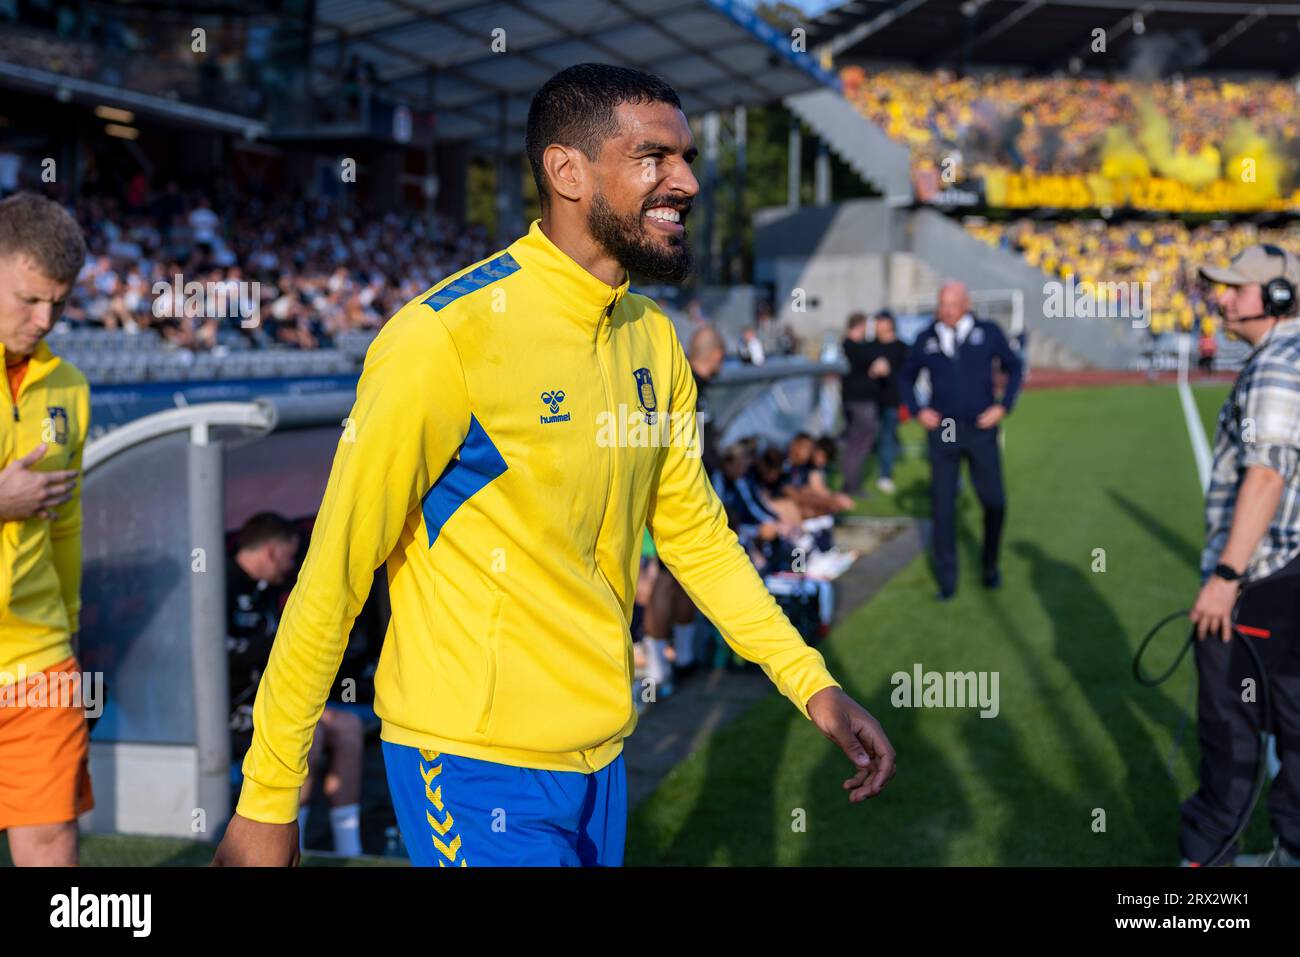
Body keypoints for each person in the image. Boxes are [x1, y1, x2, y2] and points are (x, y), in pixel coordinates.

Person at [214, 63, 894, 868]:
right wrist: (266, 797)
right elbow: (333, 572)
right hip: (470, 762)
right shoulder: (444, 337)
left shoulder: (653, 337)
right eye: (654, 158)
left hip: (600, 758)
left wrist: (808, 680)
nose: (684, 181)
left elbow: (697, 536)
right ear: (566, 171)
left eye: (686, 160)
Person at [1181, 244, 1300, 867]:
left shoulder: (1279, 362)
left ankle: (1203, 876)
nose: (1220, 297)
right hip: (1289, 573)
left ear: (1277, 297)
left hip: (1263, 579)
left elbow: (1266, 477)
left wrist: (1226, 577)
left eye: (1235, 288)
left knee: (1229, 731)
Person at [0, 193, 91, 866]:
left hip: (40, 657)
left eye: (58, 303)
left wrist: (72, 623)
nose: (44, 319)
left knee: (53, 842)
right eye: (29, 299)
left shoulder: (70, 387)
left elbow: (66, 522)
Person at [226, 511, 364, 857]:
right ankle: (288, 843)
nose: (290, 568)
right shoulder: (217, 584)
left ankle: (350, 848)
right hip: (225, 713)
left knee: (348, 727)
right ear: (270, 552)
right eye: (288, 557)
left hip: (270, 703)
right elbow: (217, 655)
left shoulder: (272, 591)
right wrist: (276, 643)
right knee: (307, 735)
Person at [900, 280, 1023, 600]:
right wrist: (917, 410)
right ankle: (947, 581)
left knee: (995, 502)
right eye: (942, 304)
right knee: (942, 507)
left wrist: (1003, 405)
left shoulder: (989, 332)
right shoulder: (926, 338)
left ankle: (990, 565)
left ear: (966, 304)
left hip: (981, 429)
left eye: (952, 304)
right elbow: (905, 376)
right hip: (944, 430)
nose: (945, 311)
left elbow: (1014, 365)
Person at [869, 311, 908, 495]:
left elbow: (906, 376)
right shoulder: (870, 346)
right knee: (871, 437)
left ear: (890, 324)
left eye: (881, 322)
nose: (877, 326)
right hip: (870, 400)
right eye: (876, 322)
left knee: (887, 437)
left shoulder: (901, 347)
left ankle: (885, 475)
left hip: (891, 400)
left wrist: (888, 372)